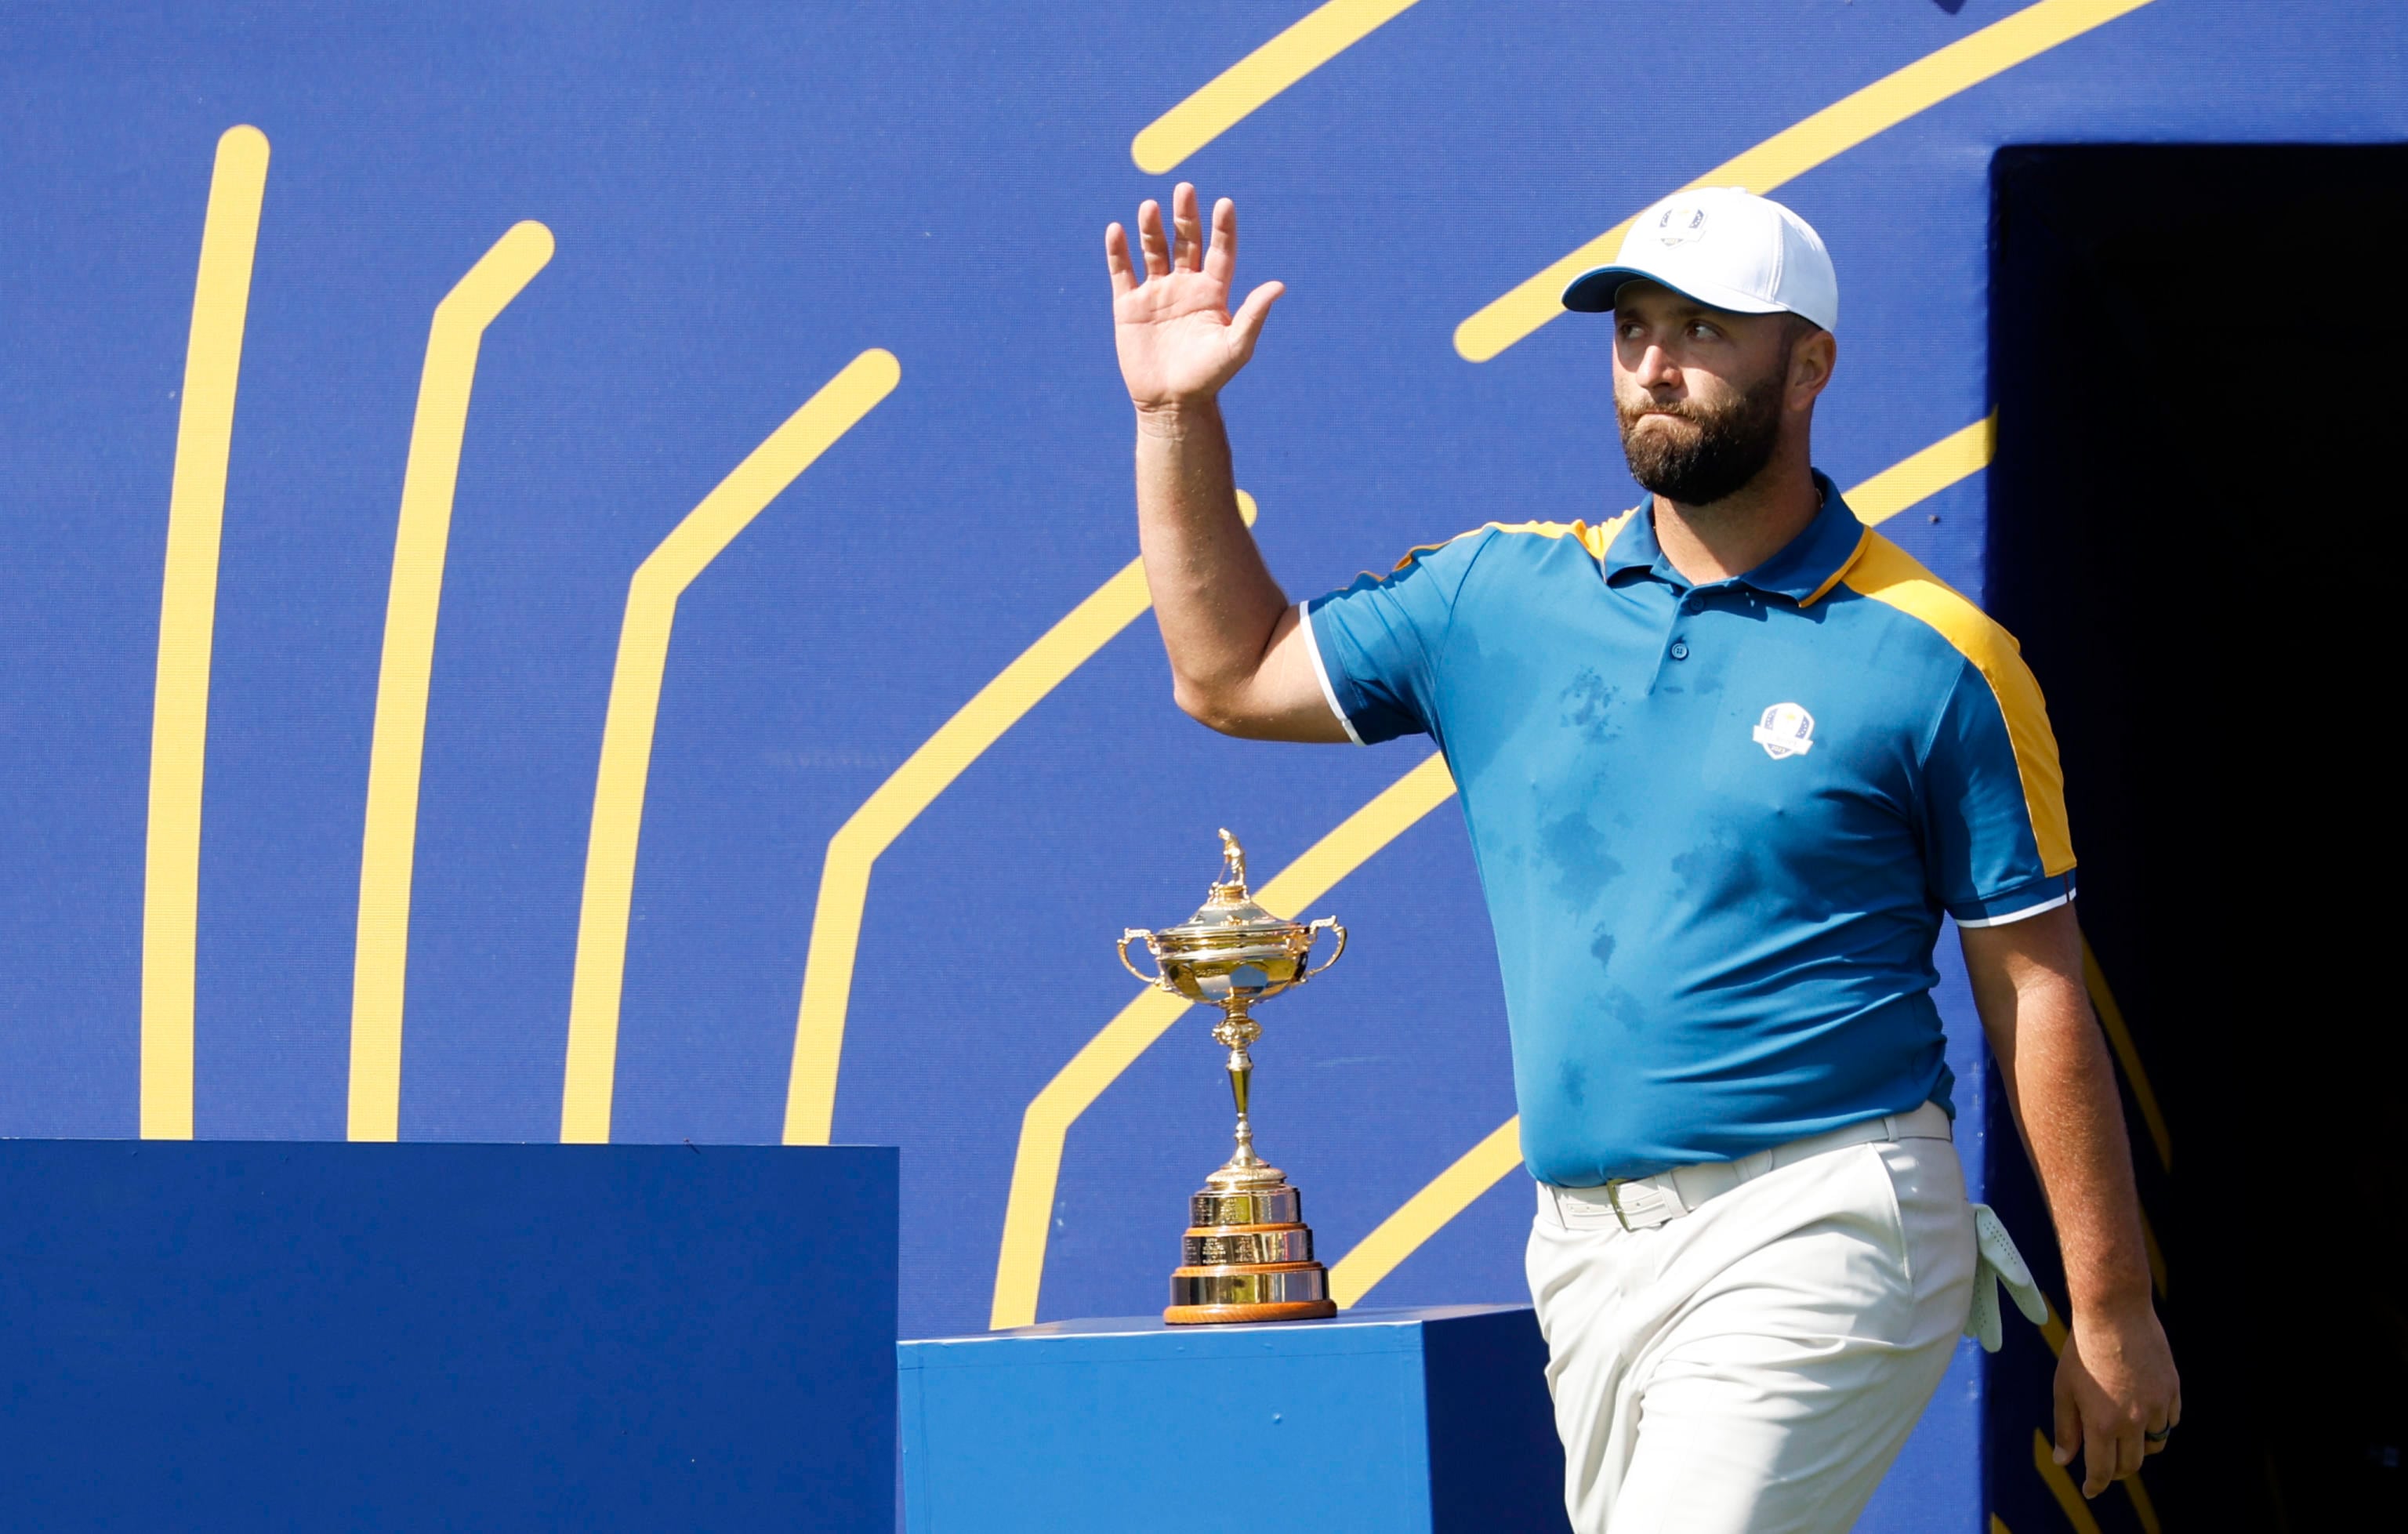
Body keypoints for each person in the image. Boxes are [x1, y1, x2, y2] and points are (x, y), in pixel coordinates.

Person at [1104, 180, 2179, 1531]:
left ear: (1811, 367)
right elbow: (1228, 668)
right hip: (1584, 1255)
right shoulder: (1497, 597)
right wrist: (1174, 414)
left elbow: (2034, 989)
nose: (1654, 363)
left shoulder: (1943, 658)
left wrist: (2113, 1299)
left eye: (1703, 329)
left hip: (1832, 1214)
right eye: (1631, 330)